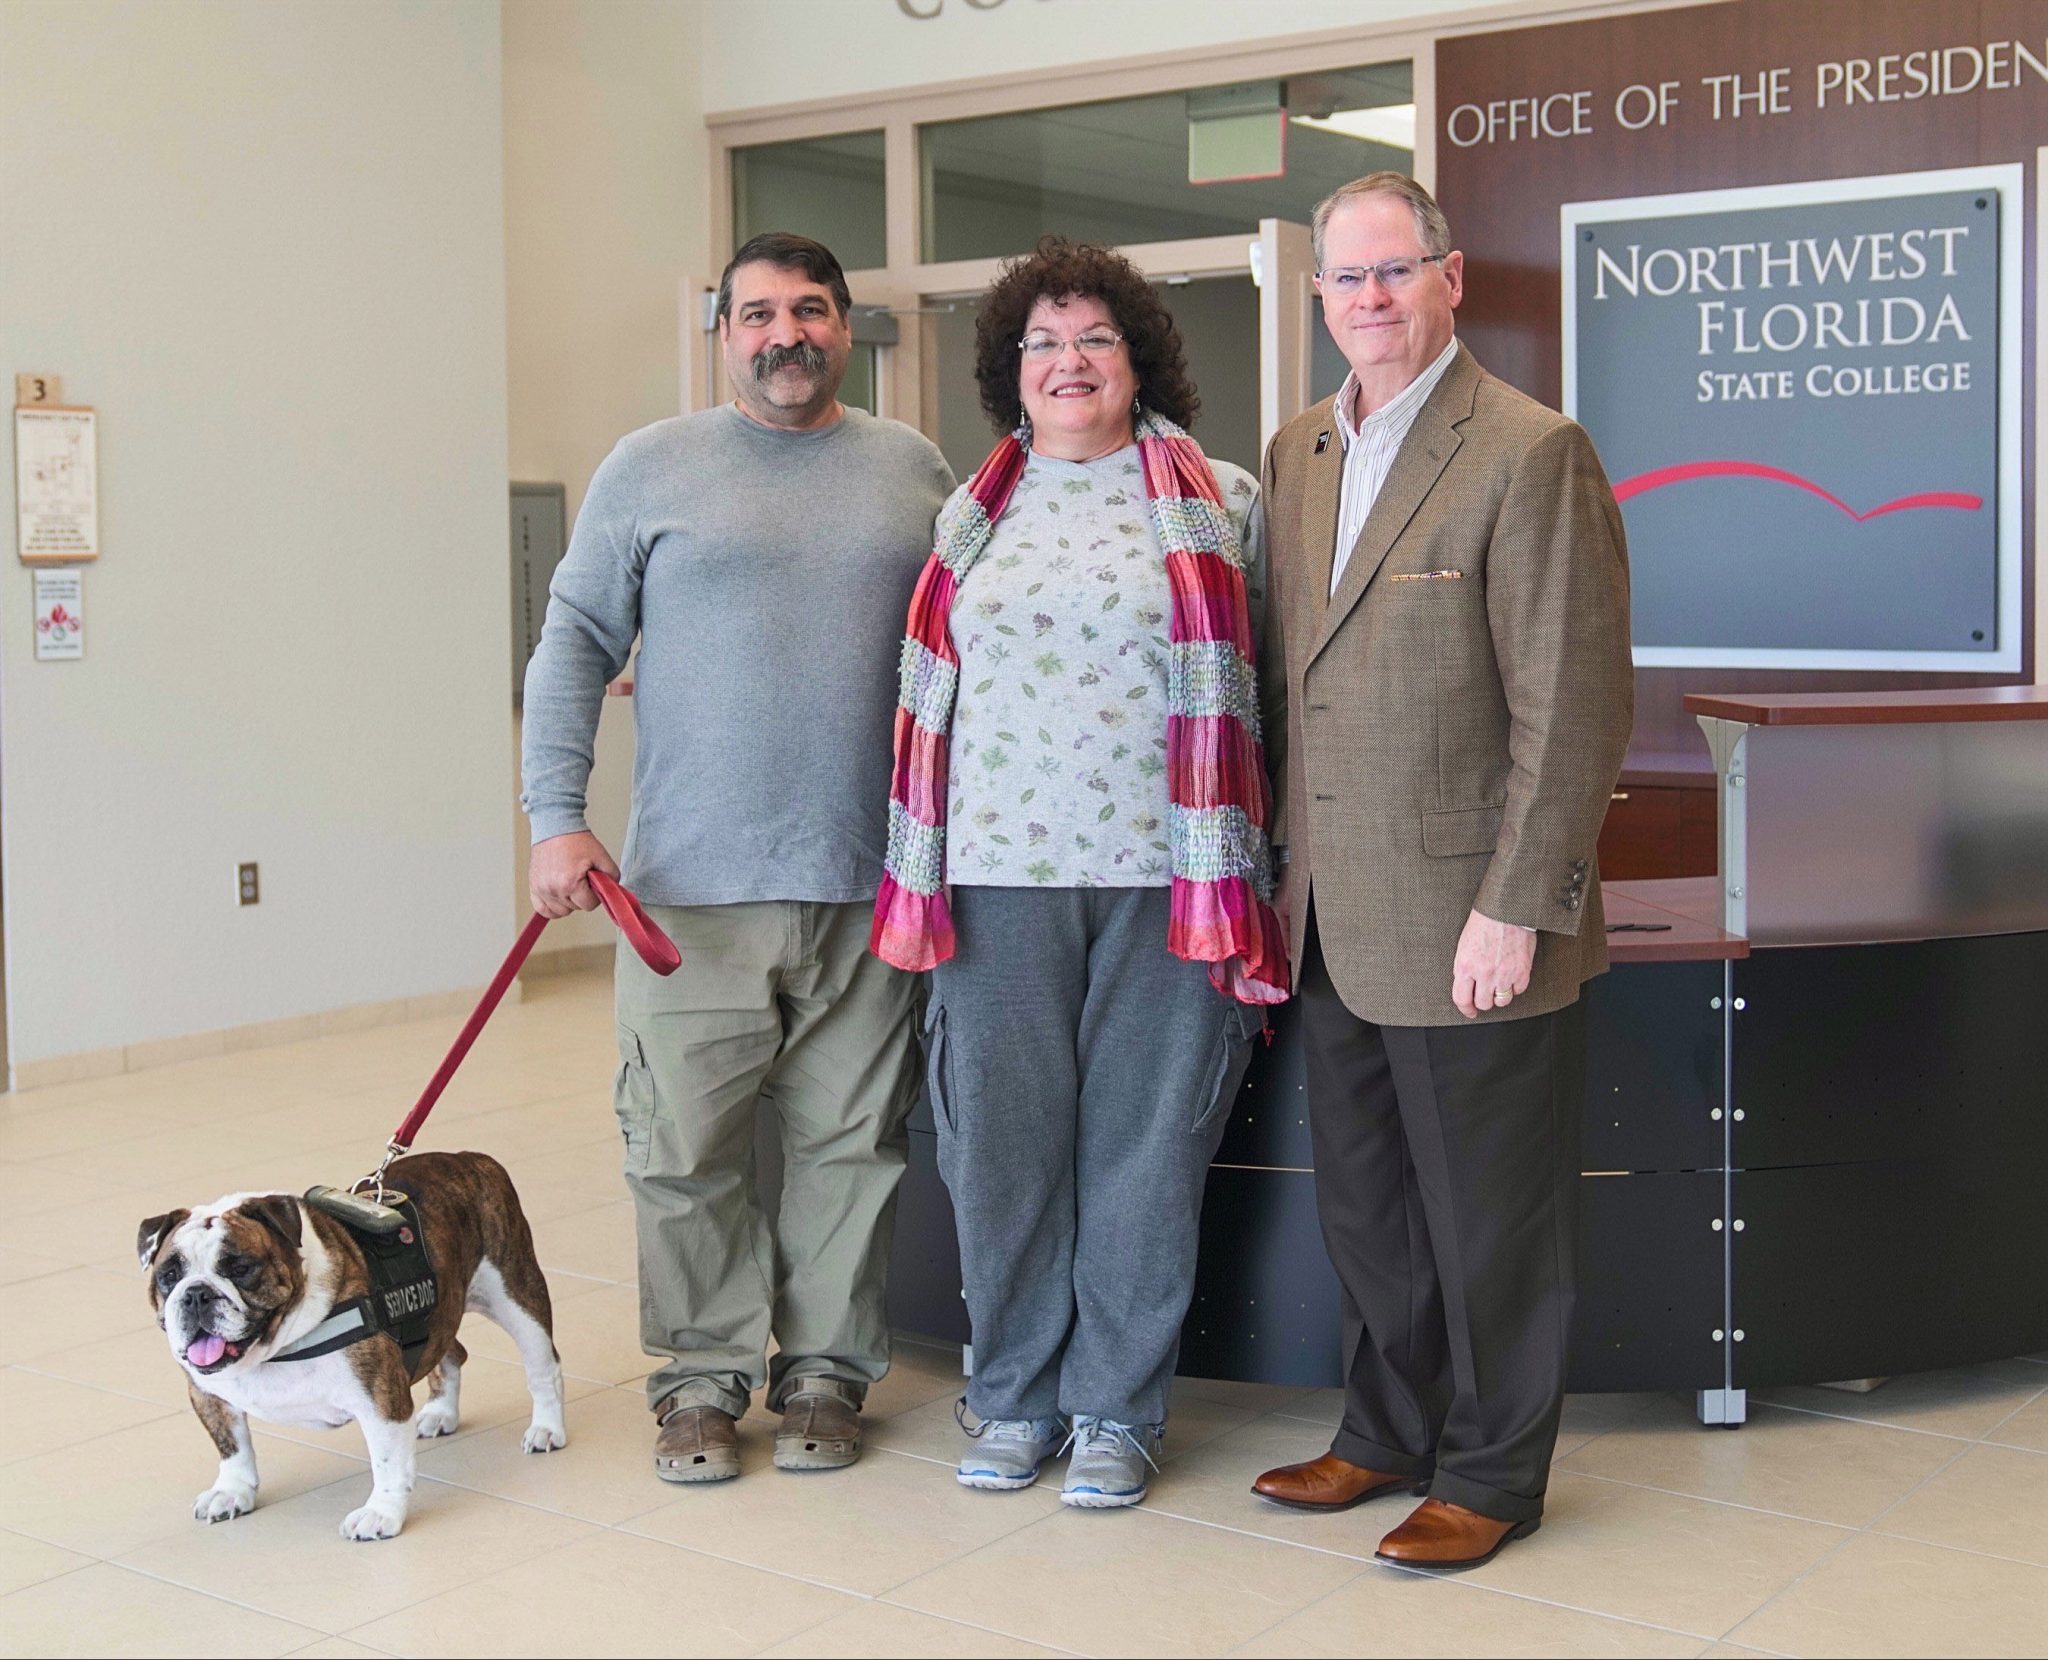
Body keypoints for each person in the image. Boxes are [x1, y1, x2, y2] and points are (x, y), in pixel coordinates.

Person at [521, 232, 955, 1485]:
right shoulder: (649, 468)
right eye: (757, 313)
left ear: (845, 325)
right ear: (723, 333)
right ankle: (701, 1380)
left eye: (809, 309)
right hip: (685, 899)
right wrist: (556, 813)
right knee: (683, 1151)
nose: (785, 334)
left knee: (850, 1148)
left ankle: (825, 1369)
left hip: (869, 883)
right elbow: (572, 642)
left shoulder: (909, 469)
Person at [1248, 174, 1633, 1569]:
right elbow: (1297, 686)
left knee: (1491, 1226)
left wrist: (1519, 904)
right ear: (1319, 298)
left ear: (1449, 278)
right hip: (1331, 913)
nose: (1370, 300)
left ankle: (1492, 1475)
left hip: (1473, 917)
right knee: (1369, 1208)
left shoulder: (1530, 450)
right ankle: (1382, 1433)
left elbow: (1574, 703)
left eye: (1394, 272)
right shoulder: (1297, 453)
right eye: (1346, 280)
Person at [872, 237, 1288, 1510]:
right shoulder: (966, 513)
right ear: (1010, 367)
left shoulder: (1219, 497)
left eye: (1094, 339)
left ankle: (1114, 1406)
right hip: (994, 878)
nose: (1068, 362)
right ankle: (1010, 1395)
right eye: (1042, 343)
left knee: (1143, 1154)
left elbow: (1268, 685)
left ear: (1137, 360)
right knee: (1000, 1153)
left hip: (1176, 876)